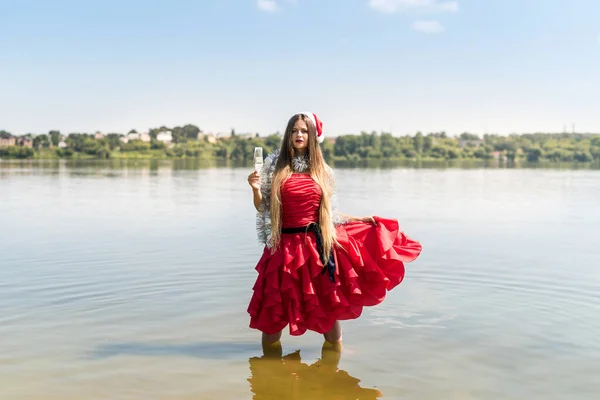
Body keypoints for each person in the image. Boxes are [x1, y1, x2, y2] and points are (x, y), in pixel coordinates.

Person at [246, 112, 422, 348]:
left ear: (312, 135)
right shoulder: (274, 167)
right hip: (283, 249)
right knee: (272, 319)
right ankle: (270, 373)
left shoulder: (322, 171)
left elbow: (330, 214)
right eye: (295, 130)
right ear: (288, 134)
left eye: (304, 131)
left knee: (327, 313)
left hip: (315, 249)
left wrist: (360, 219)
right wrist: (255, 189)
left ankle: (335, 356)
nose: (299, 135)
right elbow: (263, 208)